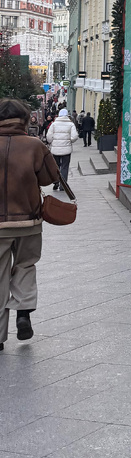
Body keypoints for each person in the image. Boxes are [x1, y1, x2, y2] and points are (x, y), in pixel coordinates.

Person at [0, 98, 60, 351]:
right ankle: (23, 313)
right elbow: (50, 179)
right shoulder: (35, 145)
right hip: (29, 220)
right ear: (26, 120)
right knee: (25, 265)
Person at [44, 104, 79, 189]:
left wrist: (52, 142)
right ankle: (63, 185)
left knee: (56, 166)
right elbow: (74, 136)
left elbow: (48, 136)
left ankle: (56, 182)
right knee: (64, 167)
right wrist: (69, 140)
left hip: (55, 149)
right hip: (66, 149)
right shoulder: (71, 124)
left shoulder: (54, 124)